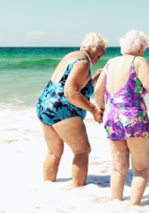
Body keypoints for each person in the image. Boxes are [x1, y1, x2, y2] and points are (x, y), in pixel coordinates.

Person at [94, 30, 149, 205]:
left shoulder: (110, 63)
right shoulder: (138, 61)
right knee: (141, 168)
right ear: (140, 47)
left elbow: (98, 91)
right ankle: (134, 207)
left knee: (117, 167)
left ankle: (115, 205)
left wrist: (101, 109)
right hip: (133, 119)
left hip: (112, 118)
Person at [36, 32, 109, 187]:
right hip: (62, 110)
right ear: (91, 48)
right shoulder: (83, 63)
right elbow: (71, 92)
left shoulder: (73, 56)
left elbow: (71, 84)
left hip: (45, 106)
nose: (103, 53)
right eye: (101, 50)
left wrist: (94, 79)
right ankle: (78, 192)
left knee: (53, 152)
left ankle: (46, 189)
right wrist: (94, 110)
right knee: (82, 151)